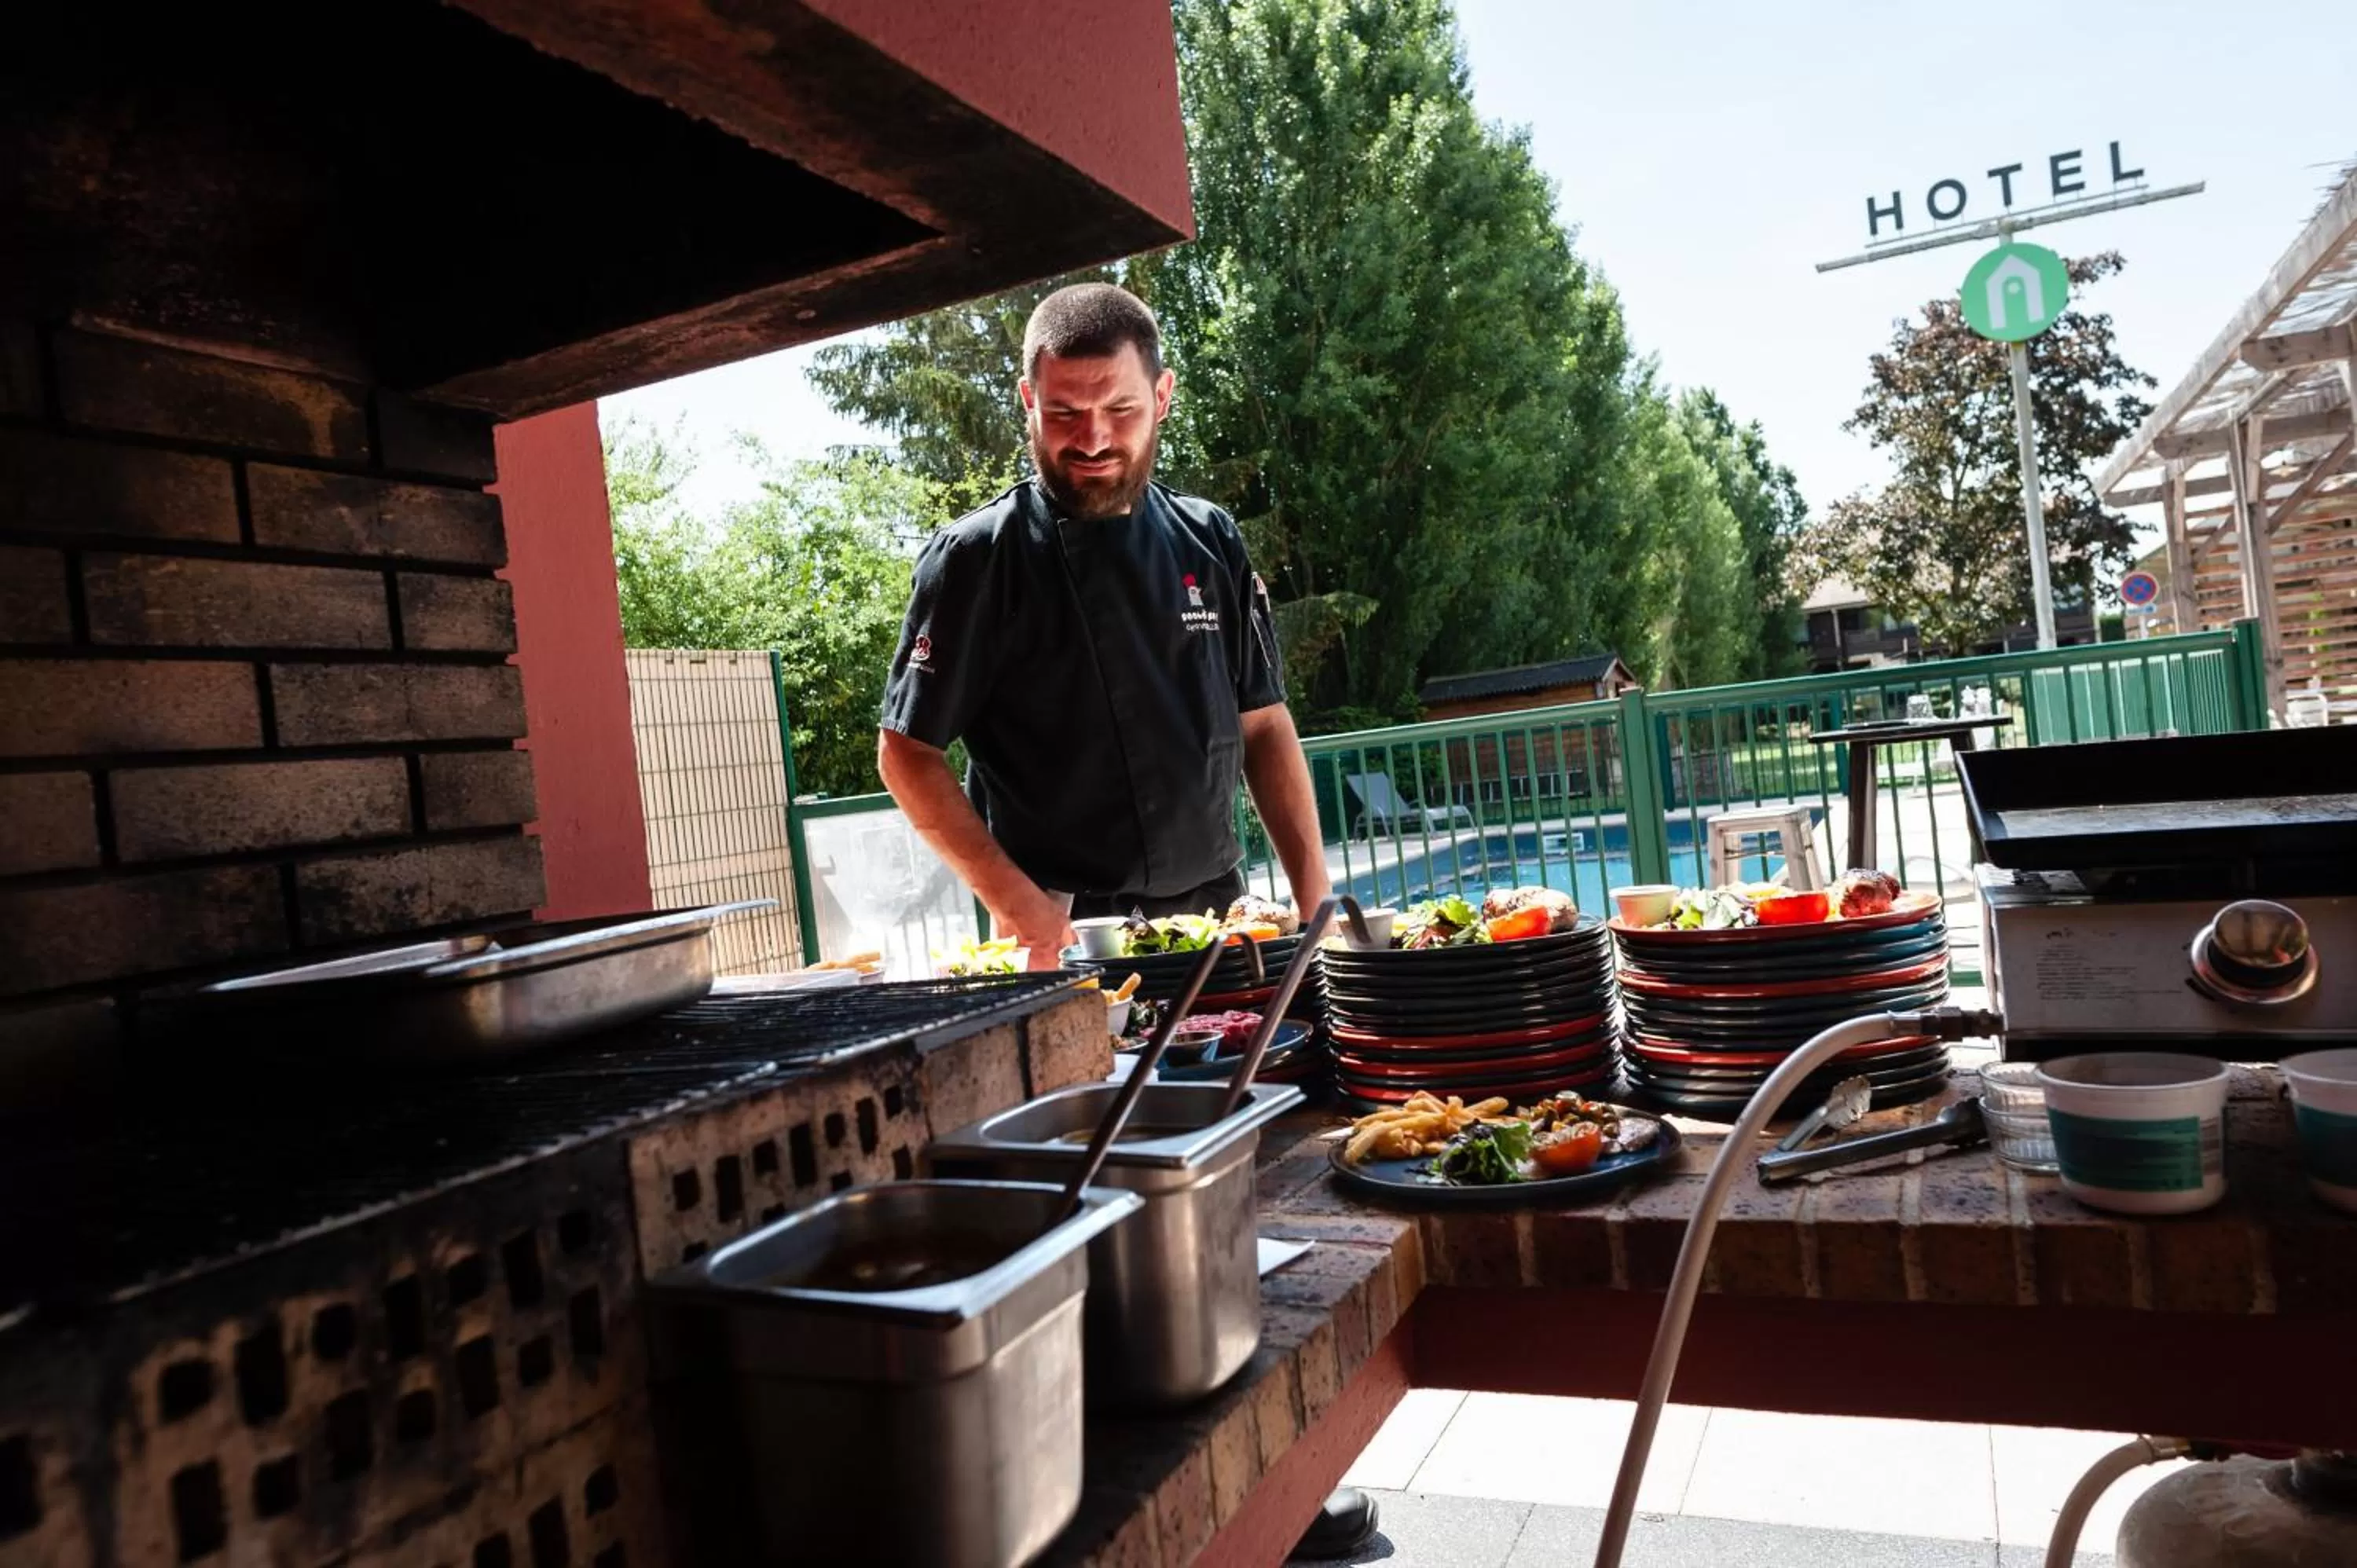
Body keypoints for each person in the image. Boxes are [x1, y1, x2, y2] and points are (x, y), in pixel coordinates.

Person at [877, 282, 1334, 963]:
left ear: (1162, 396)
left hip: (1220, 920)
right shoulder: (975, 557)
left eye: (1120, 409)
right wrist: (1018, 905)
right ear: (1029, 400)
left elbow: (1264, 724)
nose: (1093, 438)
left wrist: (1316, 904)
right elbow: (906, 753)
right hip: (1063, 929)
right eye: (1064, 413)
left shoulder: (1210, 539)